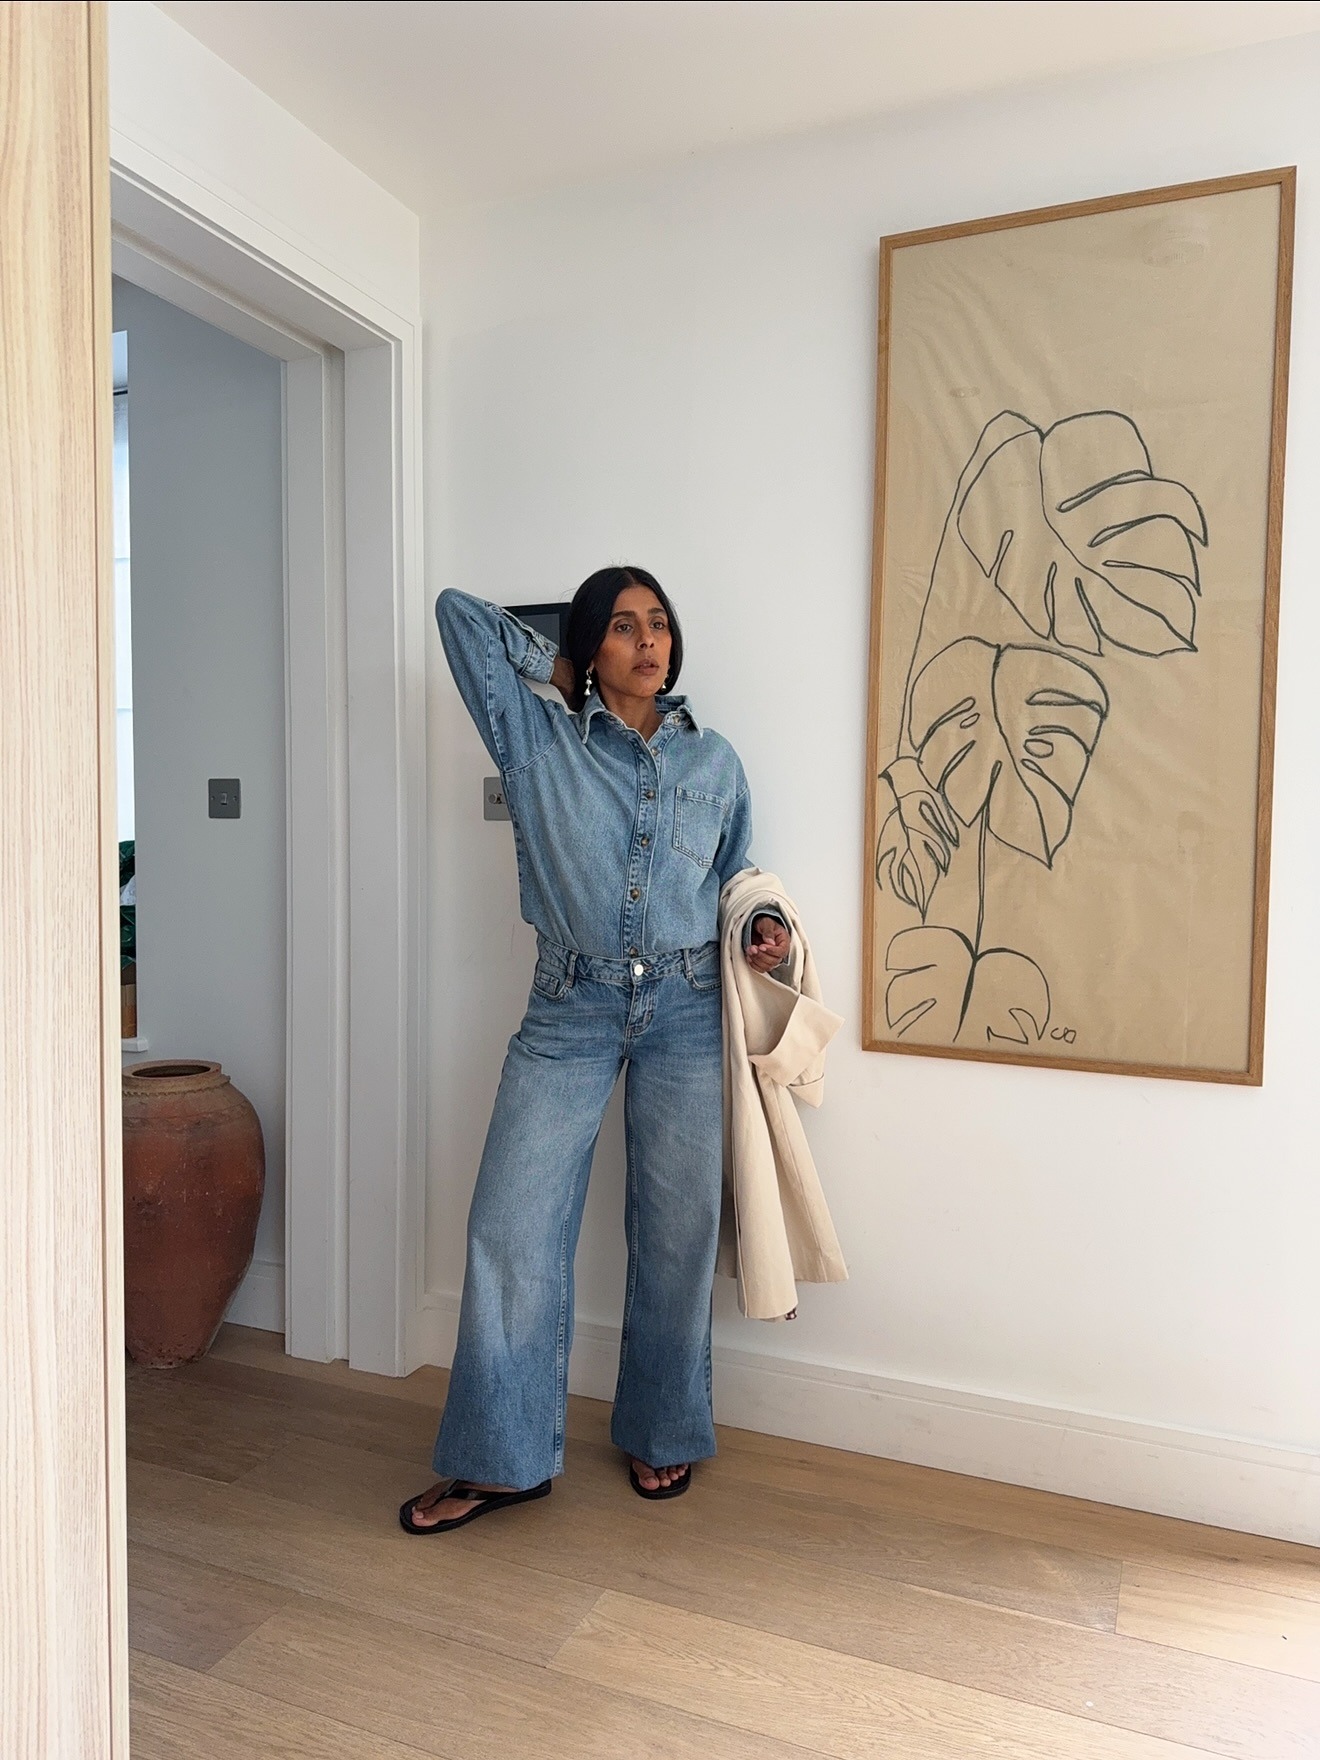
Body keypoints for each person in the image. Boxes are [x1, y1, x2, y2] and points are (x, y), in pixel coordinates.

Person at [401, 566, 789, 1534]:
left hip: (690, 1005)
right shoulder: (537, 738)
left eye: (659, 623)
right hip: (569, 1008)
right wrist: (560, 662)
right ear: (588, 645)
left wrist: (763, 922)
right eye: (622, 626)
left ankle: (664, 1426)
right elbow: (458, 617)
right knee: (511, 1226)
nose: (649, 641)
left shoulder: (716, 761)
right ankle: (503, 1458)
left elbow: (738, 870)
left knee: (677, 1229)